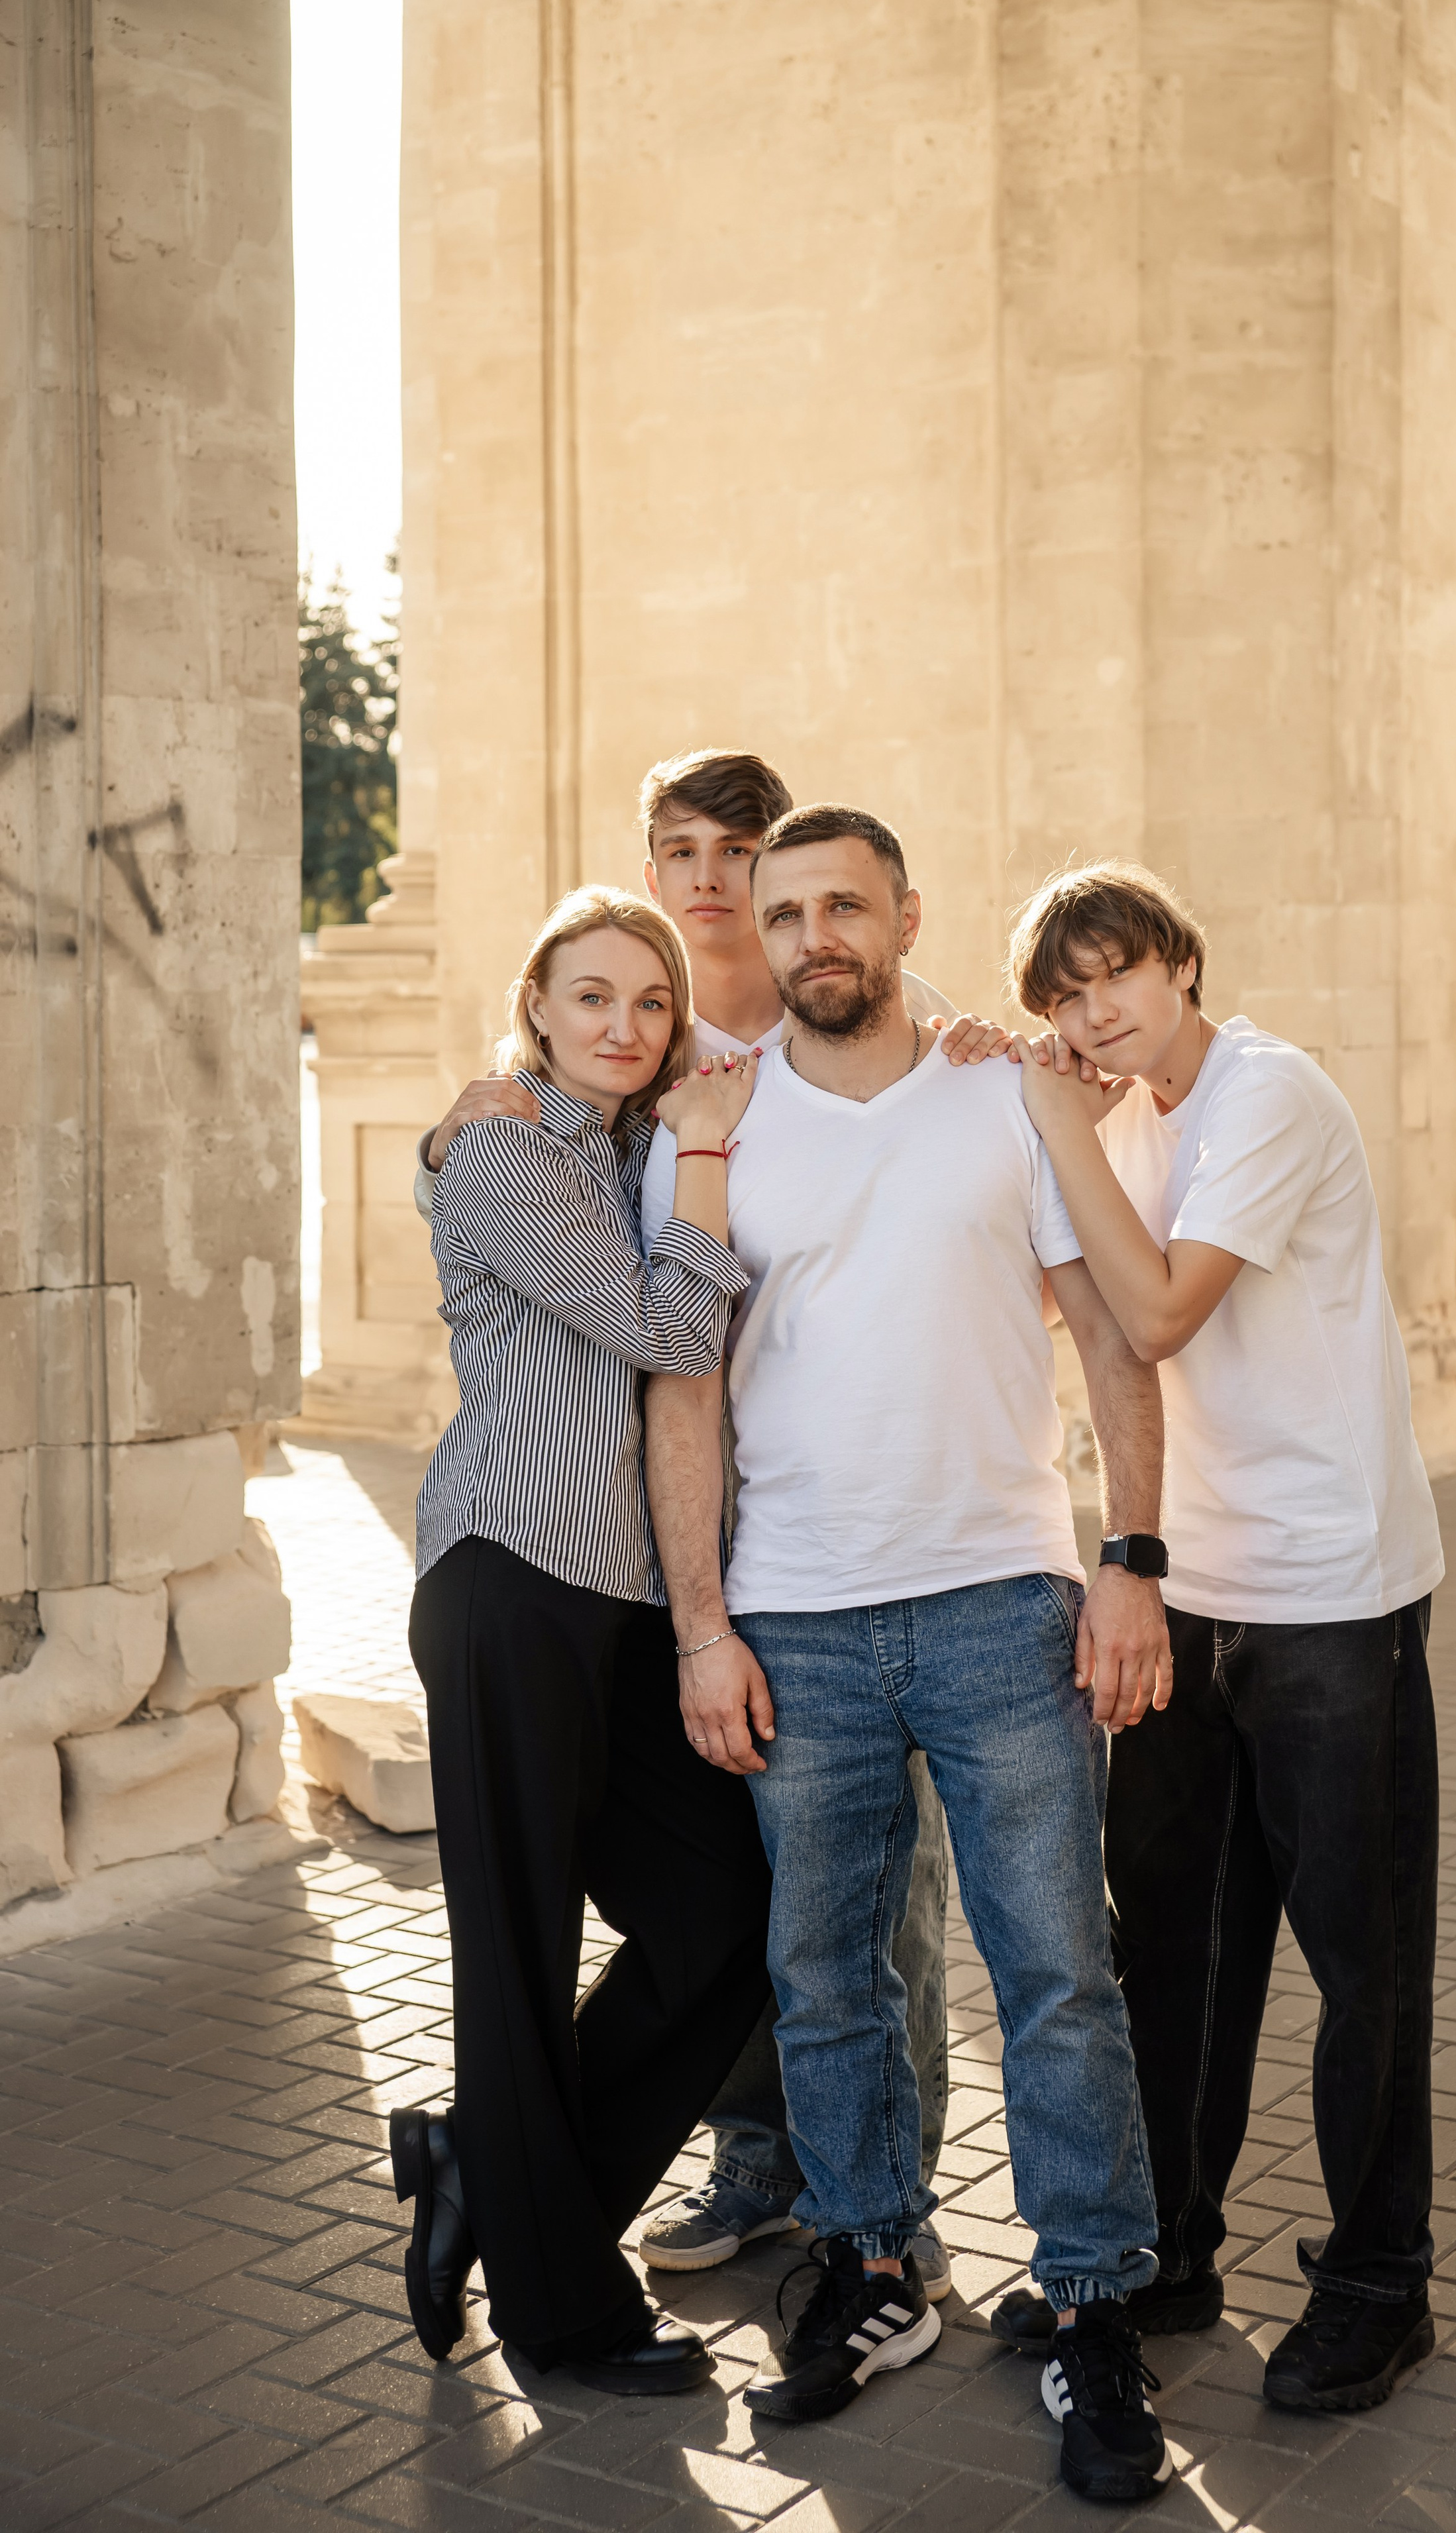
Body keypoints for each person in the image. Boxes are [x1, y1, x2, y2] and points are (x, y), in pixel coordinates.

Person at [411, 749, 1006, 2300]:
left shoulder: (818, 1028)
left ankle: (839, 2193)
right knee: (574, 1938)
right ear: (542, 1003)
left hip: (799, 1556)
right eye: (675, 846)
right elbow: (656, 1328)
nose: (706, 875)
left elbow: (949, 1055)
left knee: (812, 1909)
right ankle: (608, 2235)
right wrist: (533, 1123)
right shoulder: (587, 1119)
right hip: (544, 1575)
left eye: (731, 849)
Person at [645, 806, 1174, 2507]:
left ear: (901, 918)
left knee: (1056, 1975)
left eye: (842, 905)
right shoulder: (714, 1129)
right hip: (793, 1610)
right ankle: (876, 2270)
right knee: (828, 1977)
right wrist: (703, 1627)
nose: (809, 932)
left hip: (999, 1604)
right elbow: (687, 1389)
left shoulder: (1003, 1092)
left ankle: (1093, 2300)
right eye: (784, 907)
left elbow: (1104, 1334)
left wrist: (1127, 1565)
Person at [992, 860, 1445, 2418]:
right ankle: (1168, 2249)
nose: (1093, 1013)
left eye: (1114, 976)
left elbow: (1165, 1309)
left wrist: (1052, 1118)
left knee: (1359, 1959)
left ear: (1180, 962)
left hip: (1331, 1595)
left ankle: (1380, 2287)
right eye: (1063, 996)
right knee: (1170, 1943)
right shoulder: (1114, 1113)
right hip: (1188, 1591)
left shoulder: (1268, 1093)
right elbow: (1056, 1300)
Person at [395, 884, 774, 2397]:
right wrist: (701, 1148)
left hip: (614, 1609)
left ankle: (486, 2164)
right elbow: (674, 1334)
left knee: (724, 1915)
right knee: (518, 1947)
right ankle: (560, 2314)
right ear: (536, 1008)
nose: (625, 1026)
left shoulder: (614, 1147)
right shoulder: (498, 1148)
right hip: (504, 1582)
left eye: (651, 1003)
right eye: (592, 997)